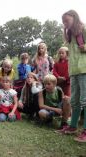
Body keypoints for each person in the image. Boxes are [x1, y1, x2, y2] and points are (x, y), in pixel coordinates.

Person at [59, 10, 86, 142]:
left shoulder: (83, 29)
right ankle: (73, 126)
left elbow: (83, 48)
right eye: (63, 21)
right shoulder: (70, 33)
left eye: (67, 20)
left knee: (85, 100)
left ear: (74, 18)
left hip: (84, 69)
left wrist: (84, 47)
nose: (65, 23)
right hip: (74, 70)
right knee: (74, 101)